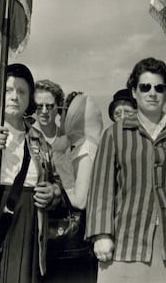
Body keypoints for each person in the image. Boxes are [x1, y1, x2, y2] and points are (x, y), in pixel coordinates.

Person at [86, 57, 166, 283]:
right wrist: (101, 234)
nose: (152, 93)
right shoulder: (115, 134)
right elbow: (101, 189)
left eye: (159, 88)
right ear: (134, 92)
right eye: (145, 87)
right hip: (124, 241)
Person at [0, 63, 62, 283]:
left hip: (24, 226)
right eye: (8, 90)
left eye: (22, 91)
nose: (15, 97)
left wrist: (53, 193)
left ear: (29, 99)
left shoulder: (39, 140)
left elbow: (56, 184)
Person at [44, 92, 103, 283]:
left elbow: (80, 200)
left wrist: (60, 163)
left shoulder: (85, 148)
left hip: (76, 244)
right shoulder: (80, 145)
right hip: (74, 244)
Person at [34, 79, 65, 145]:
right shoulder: (25, 136)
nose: (44, 111)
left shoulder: (66, 138)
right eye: (39, 106)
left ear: (59, 106)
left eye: (49, 106)